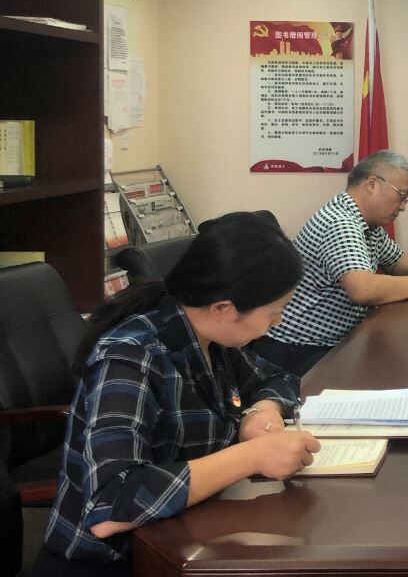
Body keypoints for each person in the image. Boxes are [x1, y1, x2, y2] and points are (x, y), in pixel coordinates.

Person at [35, 213, 321, 576]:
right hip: (112, 562)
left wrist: (261, 411)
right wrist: (251, 456)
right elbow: (110, 502)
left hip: (186, 532)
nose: (277, 322)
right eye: (273, 313)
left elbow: (280, 378)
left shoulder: (209, 337)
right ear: (223, 309)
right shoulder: (130, 356)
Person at [250, 151, 408, 377]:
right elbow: (363, 289)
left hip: (327, 342)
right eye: (401, 196)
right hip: (298, 349)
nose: (403, 207)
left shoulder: (366, 223)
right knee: (393, 371)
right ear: (372, 184)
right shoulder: (340, 222)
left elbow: (396, 259)